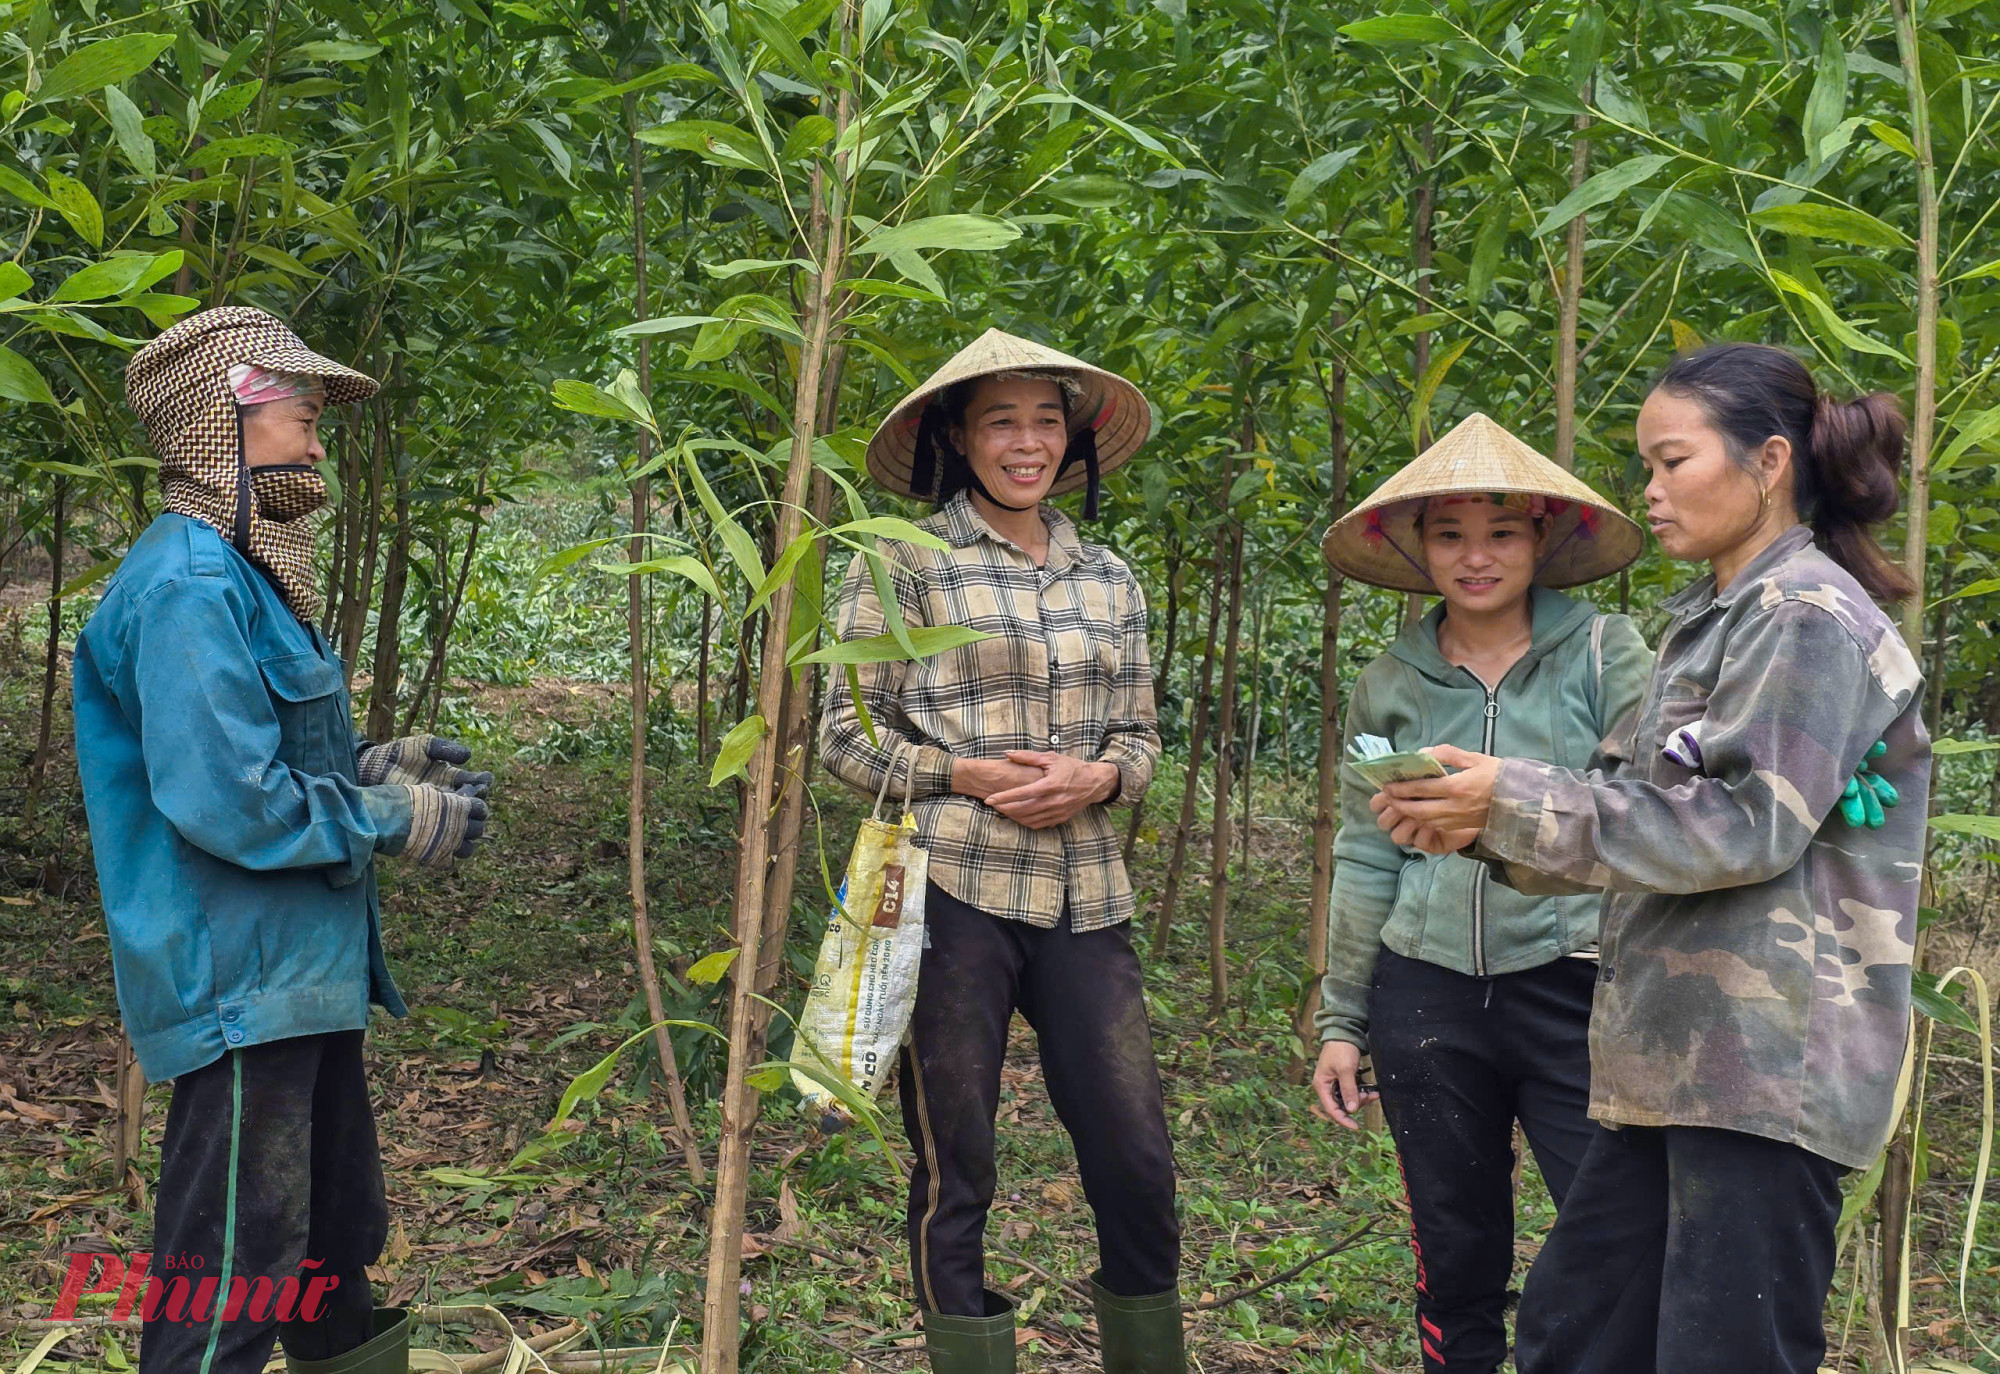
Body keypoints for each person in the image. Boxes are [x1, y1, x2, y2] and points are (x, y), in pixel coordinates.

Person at [1371, 343, 1928, 1374]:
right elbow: (1635, 814)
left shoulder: (1802, 618)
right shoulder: (1710, 626)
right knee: (1570, 1340)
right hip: (1668, 1062)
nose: (1651, 492)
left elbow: (1739, 823)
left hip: (1762, 1072)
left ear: (1765, 464)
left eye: (1670, 462)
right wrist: (1477, 818)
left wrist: (1507, 796)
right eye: (1646, 466)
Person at [74, 307, 493, 1374]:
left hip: (297, 968)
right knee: (236, 1264)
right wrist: (396, 819)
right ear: (227, 421)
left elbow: (253, 755)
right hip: (239, 980)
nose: (316, 442)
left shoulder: (240, 570)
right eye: (301, 416)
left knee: (332, 1235)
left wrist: (365, 766)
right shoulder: (188, 584)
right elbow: (229, 802)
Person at [819, 328, 1179, 1374]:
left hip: (1084, 896)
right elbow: (845, 736)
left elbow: (1141, 736)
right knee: (954, 1161)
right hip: (949, 894)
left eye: (1044, 420)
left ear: (1072, 440)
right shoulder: (902, 562)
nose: (1025, 443)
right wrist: (963, 773)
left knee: (1132, 1152)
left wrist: (1099, 779)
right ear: (956, 439)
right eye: (999, 422)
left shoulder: (1109, 577)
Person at [1310, 413, 1651, 1373]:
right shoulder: (1392, 682)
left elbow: (1651, 817)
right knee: (1453, 1244)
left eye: (1501, 532)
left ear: (1542, 539)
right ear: (1415, 548)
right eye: (1449, 534)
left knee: (1612, 1228)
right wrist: (1343, 1020)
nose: (1476, 556)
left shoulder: (1607, 657)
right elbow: (1368, 853)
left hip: (1579, 983)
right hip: (1427, 992)